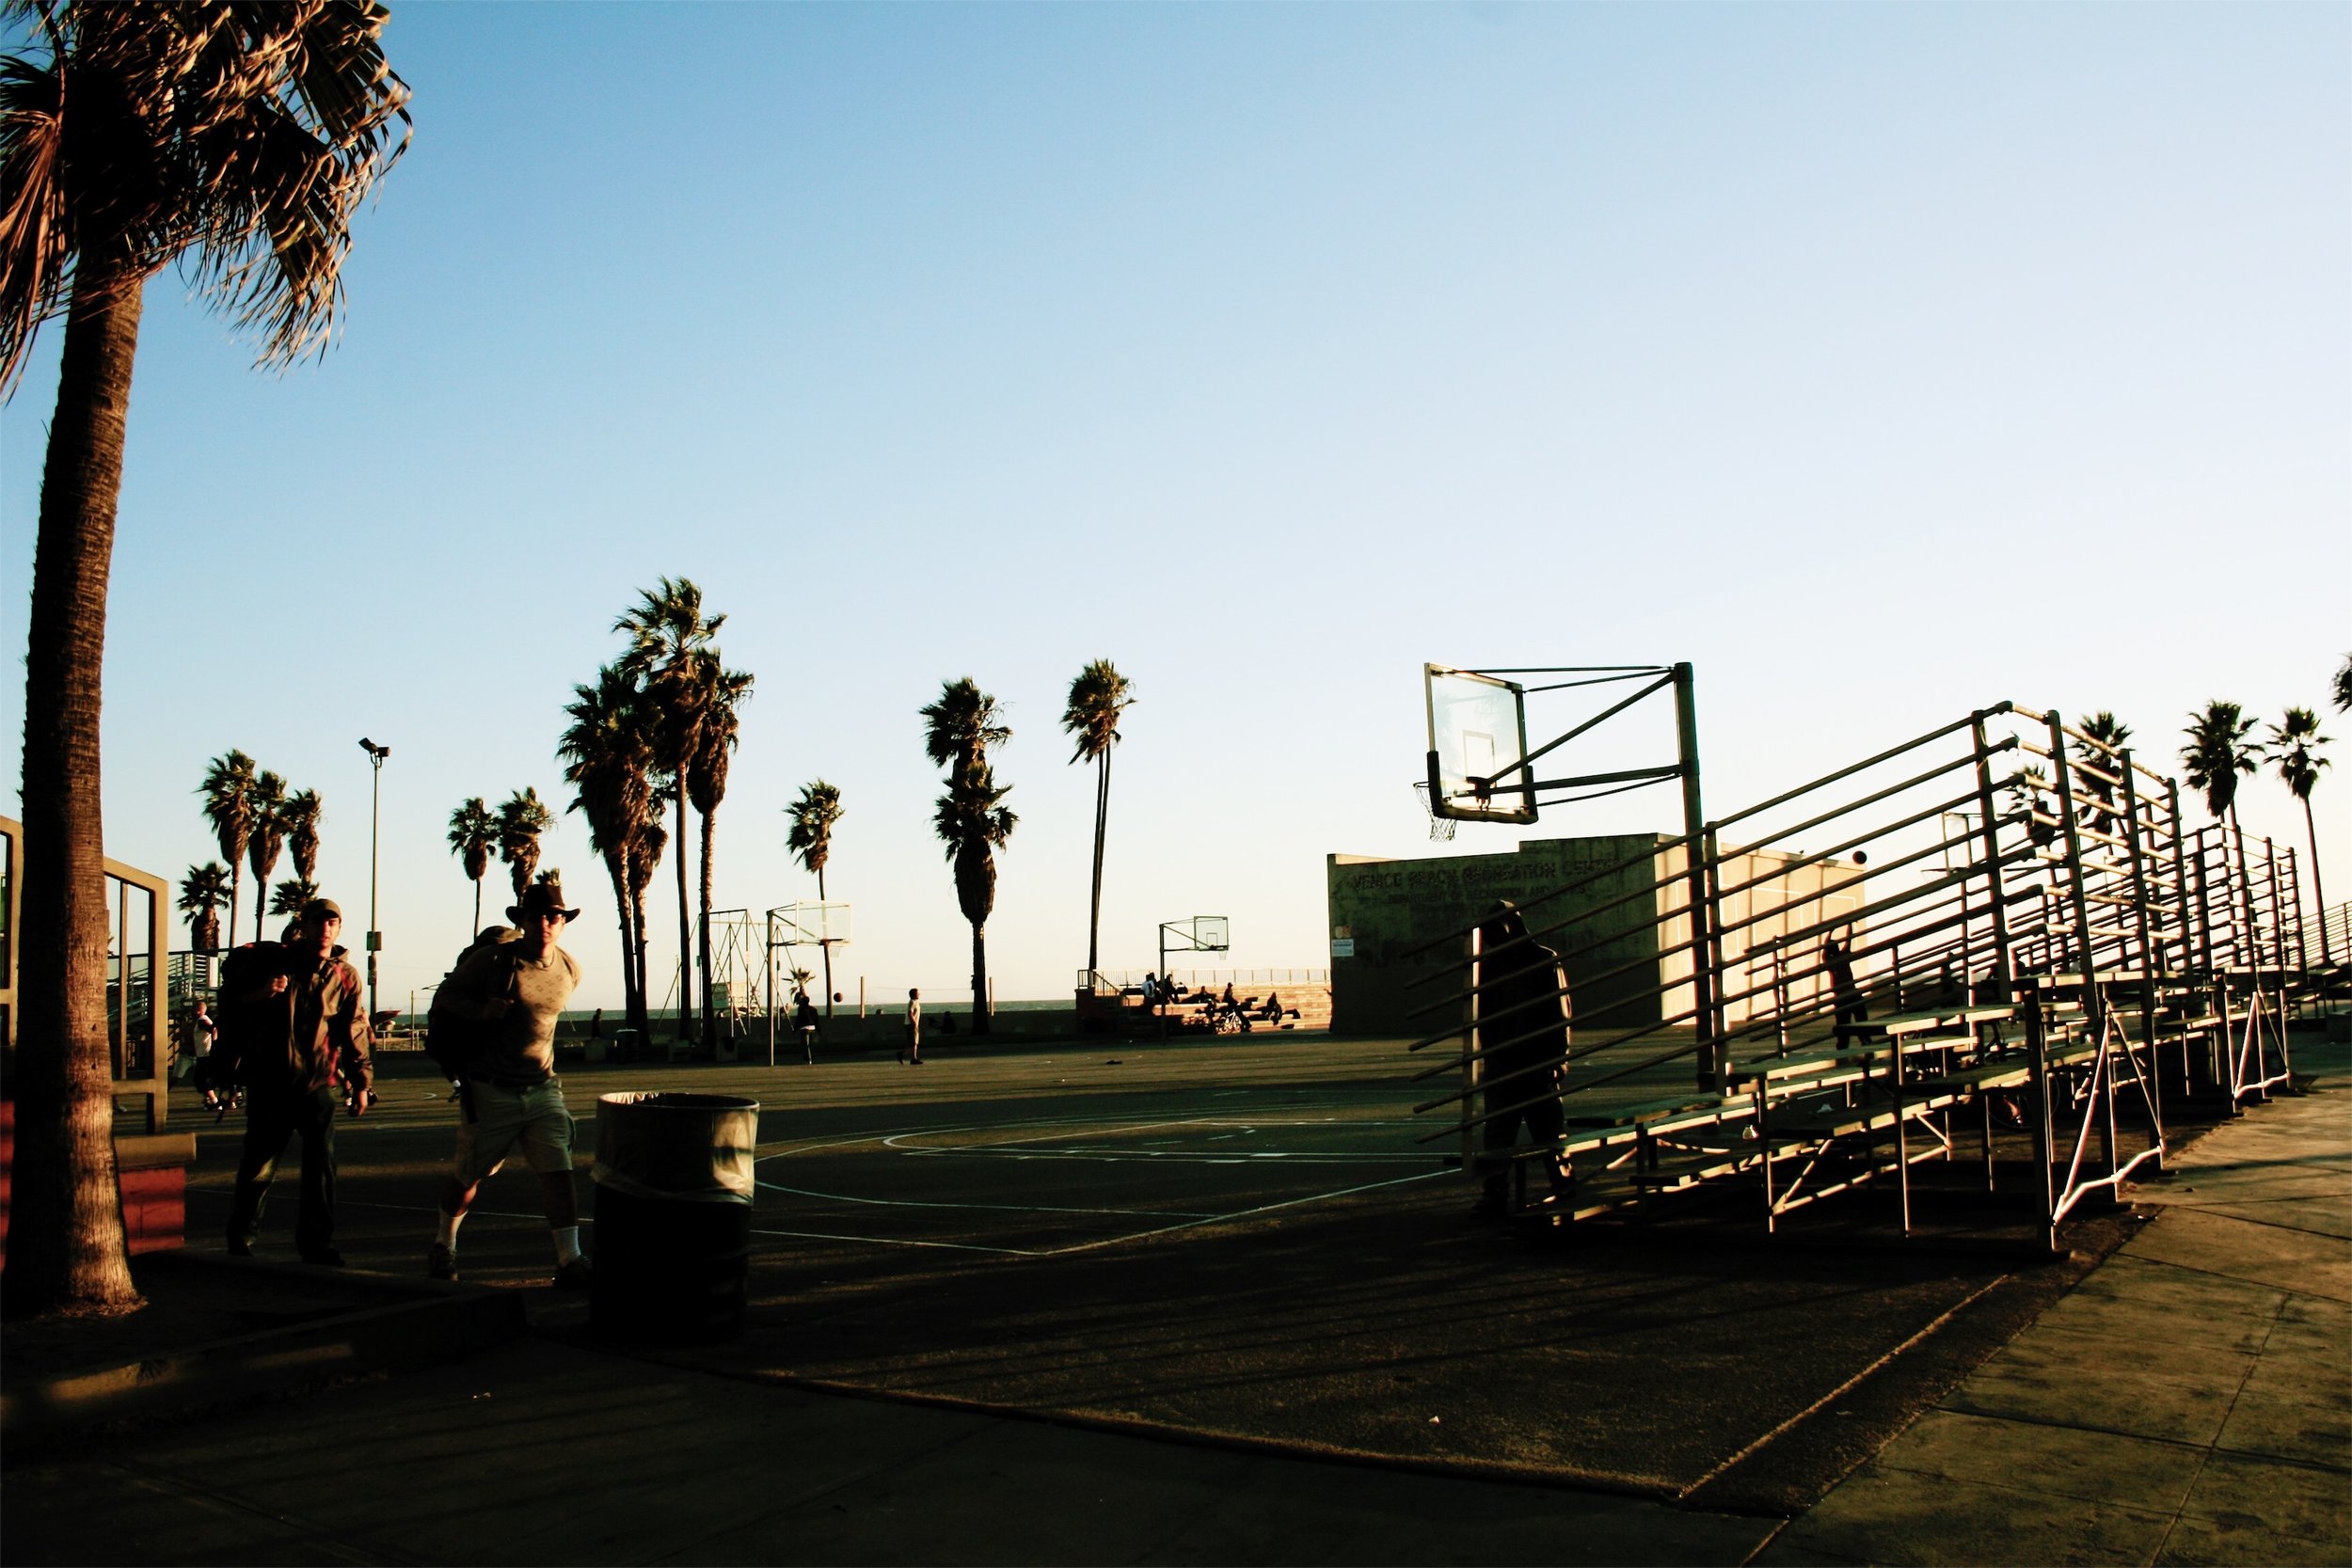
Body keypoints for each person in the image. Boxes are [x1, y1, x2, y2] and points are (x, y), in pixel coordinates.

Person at [424, 879, 590, 1289]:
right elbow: (447, 995)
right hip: (491, 1089)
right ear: (524, 921)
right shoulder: (493, 960)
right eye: (536, 917)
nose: (545, 924)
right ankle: (444, 1244)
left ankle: (569, 1259)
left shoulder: (569, 969)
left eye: (553, 917)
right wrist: (481, 1010)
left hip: (542, 1086)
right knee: (468, 1178)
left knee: (558, 1171)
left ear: (563, 923)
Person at [222, 898, 372, 1265]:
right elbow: (230, 1004)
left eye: (332, 923)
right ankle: (241, 1239)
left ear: (339, 928)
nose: (325, 929)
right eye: (319, 922)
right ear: (304, 927)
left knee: (321, 1168)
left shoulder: (345, 976)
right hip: (269, 1082)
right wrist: (264, 993)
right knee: (259, 1165)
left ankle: (316, 1245)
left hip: (316, 1084)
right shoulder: (273, 965)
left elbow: (353, 1030)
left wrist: (361, 1082)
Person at [1471, 900, 1572, 1218]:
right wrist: (1491, 1054)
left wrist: (1558, 1059)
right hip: (1505, 1063)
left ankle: (1562, 1183)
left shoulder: (1542, 960)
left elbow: (1559, 1013)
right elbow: (1483, 1017)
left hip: (1536, 1061)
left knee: (1548, 1130)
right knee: (1499, 1134)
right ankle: (1495, 1192)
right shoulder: (1489, 967)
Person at [1823, 933, 1868, 1046]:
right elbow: (1849, 939)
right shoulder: (1843, 956)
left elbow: (1826, 948)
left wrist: (1830, 931)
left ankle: (1844, 1044)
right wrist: (1849, 925)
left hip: (1841, 996)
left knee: (1843, 1023)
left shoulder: (1830, 961)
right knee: (1861, 1020)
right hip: (1852, 994)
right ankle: (1864, 1039)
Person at [794, 990, 820, 1065]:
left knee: (805, 1045)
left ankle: (808, 1059)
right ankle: (810, 1058)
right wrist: (819, 1031)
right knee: (810, 1045)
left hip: (805, 1029)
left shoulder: (801, 1009)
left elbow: (798, 1020)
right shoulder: (814, 1009)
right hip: (813, 1028)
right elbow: (817, 1021)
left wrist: (795, 1030)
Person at [900, 987, 923, 1065]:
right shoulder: (912, 1002)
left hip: (911, 1024)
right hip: (911, 1024)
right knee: (913, 1042)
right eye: (917, 993)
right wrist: (914, 1023)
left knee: (912, 1042)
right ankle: (913, 1058)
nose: (919, 994)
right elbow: (910, 1013)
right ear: (914, 994)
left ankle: (904, 1055)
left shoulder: (916, 1002)